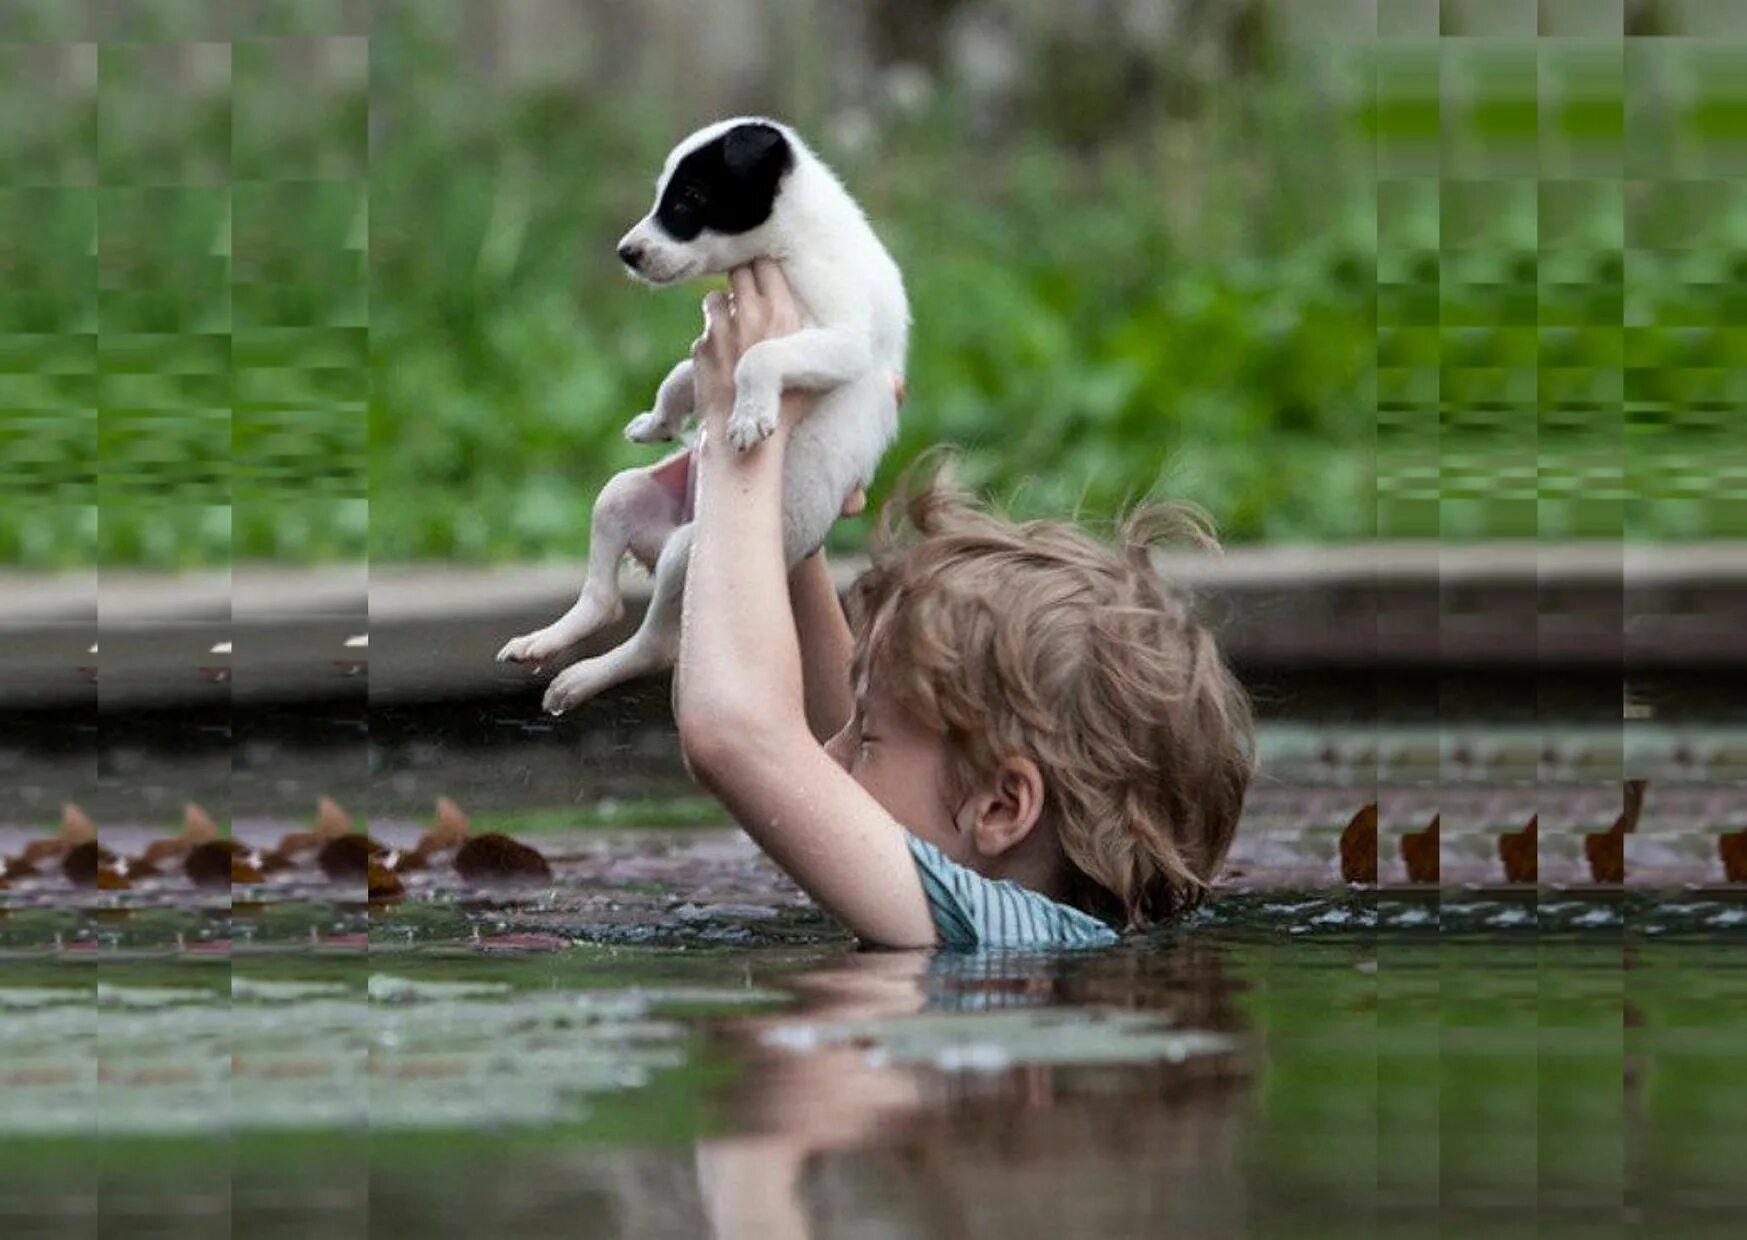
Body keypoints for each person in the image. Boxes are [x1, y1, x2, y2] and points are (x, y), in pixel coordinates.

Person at [674, 259, 1255, 950]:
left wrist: (738, 433)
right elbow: (840, 751)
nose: (824, 753)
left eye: (862, 745)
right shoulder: (1036, 922)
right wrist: (797, 517)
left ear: (1001, 807)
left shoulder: (991, 929)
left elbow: (739, 737)